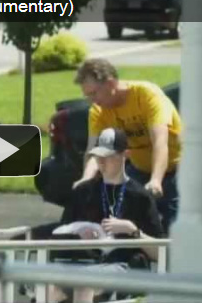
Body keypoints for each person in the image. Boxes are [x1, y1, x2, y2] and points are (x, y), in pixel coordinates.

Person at [49, 128, 164, 303]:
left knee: (84, 283)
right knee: (49, 284)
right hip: (82, 263)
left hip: (123, 267)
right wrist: (78, 235)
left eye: (108, 156)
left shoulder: (140, 197)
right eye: (97, 156)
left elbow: (160, 253)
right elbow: (60, 236)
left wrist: (134, 231)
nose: (101, 162)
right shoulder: (84, 192)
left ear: (125, 155)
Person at [72, 58, 182, 234]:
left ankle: (176, 257)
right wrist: (87, 178)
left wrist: (156, 179)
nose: (92, 101)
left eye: (94, 94)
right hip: (139, 168)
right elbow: (95, 152)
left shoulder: (147, 95)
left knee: (175, 224)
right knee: (122, 215)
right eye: (87, 96)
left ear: (111, 83)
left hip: (177, 167)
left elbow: (160, 141)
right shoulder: (99, 112)